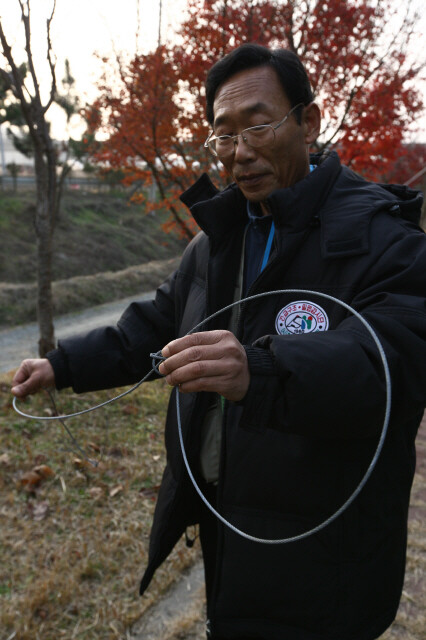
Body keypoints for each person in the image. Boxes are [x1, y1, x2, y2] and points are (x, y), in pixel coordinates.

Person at [12, 43, 426, 640]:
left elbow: (397, 362)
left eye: (259, 124)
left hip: (327, 548)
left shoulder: (383, 240)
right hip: (227, 519)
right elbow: (153, 328)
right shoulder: (215, 242)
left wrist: (262, 370)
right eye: (224, 135)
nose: (241, 151)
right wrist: (62, 364)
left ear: (308, 122)